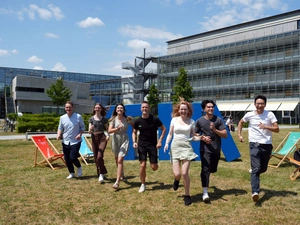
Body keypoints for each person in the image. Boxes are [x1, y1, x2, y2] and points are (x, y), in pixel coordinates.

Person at [237, 95, 279, 202]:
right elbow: (241, 122)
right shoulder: (249, 114)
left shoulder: (270, 114)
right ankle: (255, 192)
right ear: (254, 104)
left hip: (266, 145)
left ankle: (255, 172)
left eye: (262, 103)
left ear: (265, 104)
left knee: (263, 168)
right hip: (254, 144)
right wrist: (239, 135)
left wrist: (266, 127)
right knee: (256, 168)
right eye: (258, 103)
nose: (259, 105)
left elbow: (277, 129)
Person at [164, 100, 198, 206]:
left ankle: (187, 195)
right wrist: (166, 143)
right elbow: (170, 134)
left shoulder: (192, 121)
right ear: (179, 110)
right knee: (178, 173)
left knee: (184, 173)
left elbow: (193, 136)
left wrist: (200, 138)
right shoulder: (174, 120)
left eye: (185, 109)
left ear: (188, 111)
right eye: (181, 109)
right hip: (175, 147)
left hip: (187, 148)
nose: (183, 111)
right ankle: (176, 179)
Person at [194, 100, 227, 203]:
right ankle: (205, 192)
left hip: (216, 149)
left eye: (212, 107)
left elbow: (225, 134)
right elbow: (194, 134)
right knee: (205, 170)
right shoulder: (199, 121)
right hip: (205, 150)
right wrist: (203, 138)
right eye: (208, 107)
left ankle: (208, 187)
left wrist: (215, 130)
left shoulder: (218, 120)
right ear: (204, 109)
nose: (210, 109)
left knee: (212, 169)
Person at [132, 101, 166, 193]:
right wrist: (134, 142)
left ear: (149, 108)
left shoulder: (155, 119)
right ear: (141, 109)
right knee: (142, 165)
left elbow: (164, 129)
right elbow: (134, 132)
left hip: (152, 145)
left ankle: (155, 163)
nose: (145, 109)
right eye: (143, 107)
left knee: (154, 167)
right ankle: (143, 184)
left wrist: (160, 141)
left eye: (146, 107)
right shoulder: (137, 121)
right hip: (142, 145)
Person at [57, 101, 85, 179]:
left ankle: (79, 167)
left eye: (69, 107)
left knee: (73, 157)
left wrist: (80, 134)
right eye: (67, 107)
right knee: (67, 158)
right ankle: (71, 173)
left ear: (72, 108)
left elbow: (82, 127)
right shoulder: (62, 117)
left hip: (75, 141)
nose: (68, 109)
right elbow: (60, 127)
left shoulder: (78, 116)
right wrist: (59, 134)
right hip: (65, 141)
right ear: (65, 108)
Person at [108, 103, 134, 189]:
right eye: (118, 108)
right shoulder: (113, 119)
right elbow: (109, 130)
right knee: (117, 159)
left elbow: (135, 125)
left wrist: (135, 133)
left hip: (124, 139)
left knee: (120, 159)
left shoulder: (127, 119)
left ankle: (117, 182)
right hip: (116, 139)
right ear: (116, 110)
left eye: (121, 108)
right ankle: (121, 173)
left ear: (123, 110)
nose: (119, 109)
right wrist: (117, 128)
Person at [88, 103, 110, 183]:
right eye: (96, 108)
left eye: (99, 108)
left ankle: (101, 173)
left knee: (99, 156)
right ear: (94, 109)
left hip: (102, 138)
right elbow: (89, 132)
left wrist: (108, 135)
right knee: (95, 157)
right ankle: (100, 173)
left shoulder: (104, 119)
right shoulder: (91, 119)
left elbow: (107, 129)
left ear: (101, 109)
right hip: (94, 138)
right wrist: (90, 129)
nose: (97, 109)